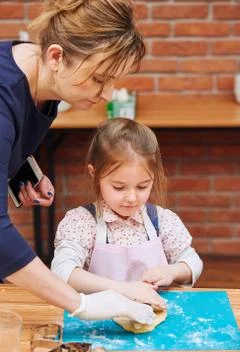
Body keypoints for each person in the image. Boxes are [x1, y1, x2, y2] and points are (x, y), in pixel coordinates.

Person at [0, 0, 158, 324]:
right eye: (99, 79)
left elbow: (12, 135)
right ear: (56, 56)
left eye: (114, 80)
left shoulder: (47, 78)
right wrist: (81, 304)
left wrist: (20, 173)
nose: (108, 95)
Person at [51, 118, 203, 303]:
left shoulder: (162, 220)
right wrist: (124, 290)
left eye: (142, 187)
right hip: (101, 319)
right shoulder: (82, 222)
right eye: (119, 187)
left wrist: (171, 272)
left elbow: (193, 262)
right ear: (95, 174)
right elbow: (62, 271)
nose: (132, 198)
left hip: (154, 315)